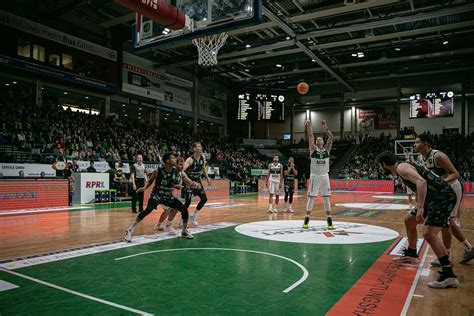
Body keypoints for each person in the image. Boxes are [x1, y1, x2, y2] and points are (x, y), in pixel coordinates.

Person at [376, 150, 458, 288]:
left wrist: (420, 207)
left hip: (441, 197)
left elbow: (422, 182)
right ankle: (412, 254)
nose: (380, 169)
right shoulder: (403, 166)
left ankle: (449, 275)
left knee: (428, 234)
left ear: (384, 164)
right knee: (409, 220)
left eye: (380, 166)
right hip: (434, 198)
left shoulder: (401, 167)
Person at [414, 133, 474, 265]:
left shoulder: (438, 156)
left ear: (426, 144)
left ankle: (448, 256)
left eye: (417, 142)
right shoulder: (420, 158)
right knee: (447, 223)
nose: (414, 144)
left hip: (453, 188)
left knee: (446, 222)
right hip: (443, 190)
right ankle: (467, 249)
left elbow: (455, 173)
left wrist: (440, 183)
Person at [124, 153, 199, 242]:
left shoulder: (177, 172)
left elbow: (186, 179)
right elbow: (150, 181)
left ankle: (184, 231)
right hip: (157, 195)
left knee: (184, 210)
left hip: (168, 196)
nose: (175, 160)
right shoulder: (158, 171)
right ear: (167, 161)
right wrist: (144, 188)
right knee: (148, 210)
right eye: (173, 158)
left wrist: (192, 183)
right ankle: (130, 230)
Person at [303, 120, 334, 230]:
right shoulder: (313, 149)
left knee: (326, 198)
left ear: (323, 141)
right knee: (311, 198)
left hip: (325, 176)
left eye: (320, 138)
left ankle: (329, 219)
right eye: (318, 139)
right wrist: (309, 125)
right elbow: (311, 136)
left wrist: (325, 126)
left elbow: (331, 137)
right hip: (314, 176)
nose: (318, 139)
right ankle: (307, 218)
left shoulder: (327, 150)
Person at [155, 157, 189, 235]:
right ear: (176, 164)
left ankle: (166, 225)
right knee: (168, 209)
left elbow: (187, 180)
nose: (182, 166)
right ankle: (160, 224)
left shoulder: (181, 173)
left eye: (183, 164)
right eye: (180, 164)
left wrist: (192, 184)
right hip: (162, 193)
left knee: (174, 209)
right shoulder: (170, 171)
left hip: (171, 194)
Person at [182, 142, 211, 226]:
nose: (201, 147)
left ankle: (194, 216)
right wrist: (187, 181)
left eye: (201, 146)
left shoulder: (202, 157)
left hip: (197, 181)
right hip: (189, 182)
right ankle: (182, 220)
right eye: (199, 146)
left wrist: (207, 177)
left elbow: (203, 169)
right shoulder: (190, 160)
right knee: (187, 202)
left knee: (204, 199)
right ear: (194, 149)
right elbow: (182, 170)